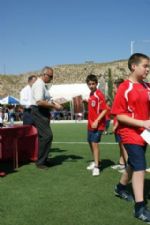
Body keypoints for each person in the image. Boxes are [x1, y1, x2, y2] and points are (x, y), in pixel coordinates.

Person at [111, 53, 150, 223]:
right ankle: (139, 208)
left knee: (133, 164)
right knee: (140, 165)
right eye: (145, 66)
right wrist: (142, 121)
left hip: (144, 132)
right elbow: (119, 115)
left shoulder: (147, 87)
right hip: (129, 133)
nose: (148, 69)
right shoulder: (124, 88)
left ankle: (120, 188)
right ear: (134, 66)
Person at [31, 66, 62, 170]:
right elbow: (39, 102)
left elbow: (45, 100)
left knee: (44, 137)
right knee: (47, 136)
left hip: (42, 112)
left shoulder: (42, 85)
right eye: (50, 76)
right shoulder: (39, 84)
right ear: (44, 74)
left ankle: (43, 160)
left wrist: (54, 103)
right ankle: (40, 161)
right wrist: (54, 106)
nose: (51, 78)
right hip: (39, 112)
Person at [86, 74, 107, 176]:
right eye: (89, 84)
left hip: (98, 125)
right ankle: (96, 161)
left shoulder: (99, 94)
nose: (91, 86)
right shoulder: (91, 94)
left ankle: (97, 167)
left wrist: (97, 121)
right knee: (90, 142)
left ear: (96, 84)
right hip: (90, 124)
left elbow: (105, 110)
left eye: (93, 84)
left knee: (95, 144)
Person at [111, 78, 128, 172]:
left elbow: (121, 114)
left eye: (114, 87)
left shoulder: (122, 98)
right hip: (118, 125)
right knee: (120, 146)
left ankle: (127, 167)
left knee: (124, 147)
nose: (113, 89)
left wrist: (116, 125)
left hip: (120, 126)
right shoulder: (118, 97)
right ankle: (122, 163)